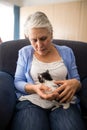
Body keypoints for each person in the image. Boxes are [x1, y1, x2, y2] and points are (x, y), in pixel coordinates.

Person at [11, 11, 86, 130]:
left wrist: (76, 84)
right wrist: (35, 88)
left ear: (51, 34)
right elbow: (18, 81)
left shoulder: (67, 52)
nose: (39, 45)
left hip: (62, 101)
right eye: (34, 40)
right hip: (32, 101)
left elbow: (76, 80)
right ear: (28, 38)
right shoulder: (24, 53)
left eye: (43, 38)